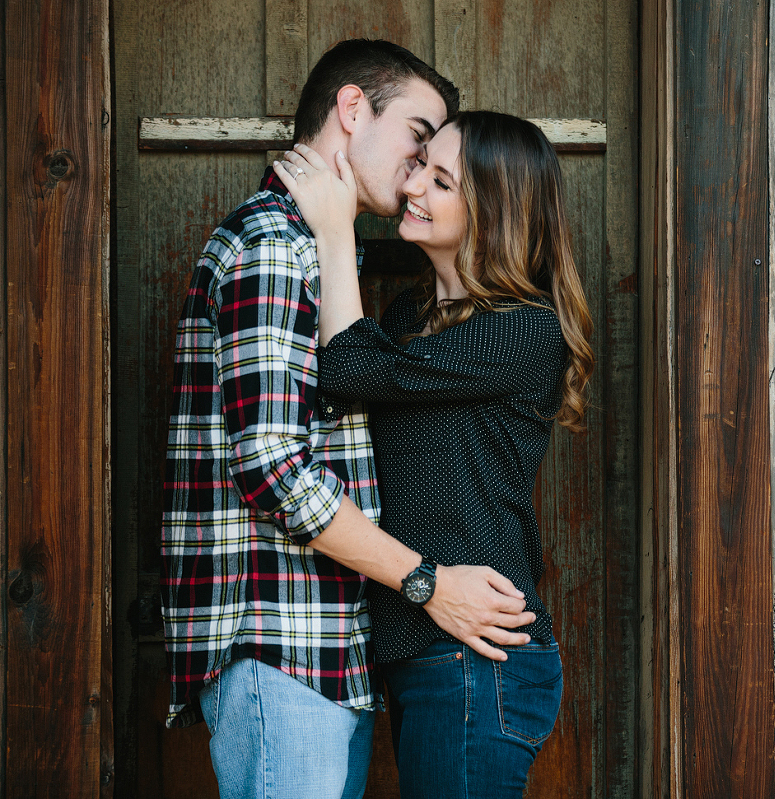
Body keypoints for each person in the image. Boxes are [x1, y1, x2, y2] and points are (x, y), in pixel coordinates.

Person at [163, 41, 536, 799]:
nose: (416, 169)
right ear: (352, 109)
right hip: (282, 641)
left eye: (439, 165)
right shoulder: (273, 245)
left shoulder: (320, 258)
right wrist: (428, 581)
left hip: (327, 647)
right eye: (417, 136)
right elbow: (274, 467)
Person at [272, 110, 594, 799]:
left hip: (477, 655)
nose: (413, 185)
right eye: (420, 165)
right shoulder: (407, 319)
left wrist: (333, 229)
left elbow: (349, 369)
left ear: (491, 212)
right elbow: (356, 365)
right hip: (428, 648)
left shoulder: (525, 331)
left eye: (440, 180)